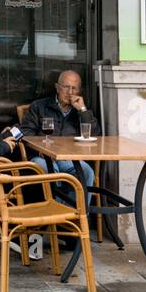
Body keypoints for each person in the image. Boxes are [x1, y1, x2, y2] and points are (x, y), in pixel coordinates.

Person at [18, 69, 98, 202]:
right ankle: (59, 214)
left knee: (87, 172)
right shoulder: (39, 106)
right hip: (42, 157)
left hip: (71, 159)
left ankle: (78, 217)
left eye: (74, 88)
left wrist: (83, 111)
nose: (70, 92)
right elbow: (26, 133)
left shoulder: (81, 110)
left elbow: (95, 134)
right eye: (66, 87)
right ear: (57, 87)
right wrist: (38, 150)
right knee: (48, 169)